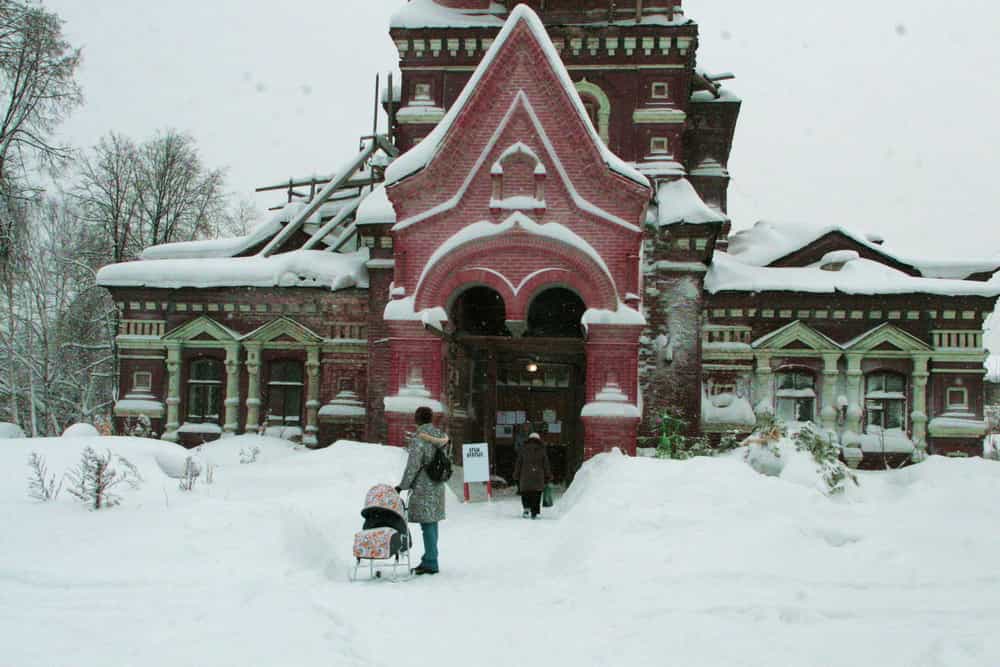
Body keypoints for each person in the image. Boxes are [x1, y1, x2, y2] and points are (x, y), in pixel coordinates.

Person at [395, 406, 450, 575]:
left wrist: (402, 486)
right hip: (438, 484)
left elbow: (413, 465)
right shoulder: (442, 436)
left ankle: (431, 562)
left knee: (427, 525)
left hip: (424, 485)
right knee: (431, 524)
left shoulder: (420, 439)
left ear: (417, 419)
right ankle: (431, 557)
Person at [513, 432, 551, 519]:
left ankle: (526, 508)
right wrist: (548, 475)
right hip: (538, 477)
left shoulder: (523, 449)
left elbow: (519, 463)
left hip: (525, 477)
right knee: (536, 494)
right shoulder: (542, 449)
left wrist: (516, 475)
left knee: (526, 493)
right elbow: (546, 464)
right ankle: (534, 512)